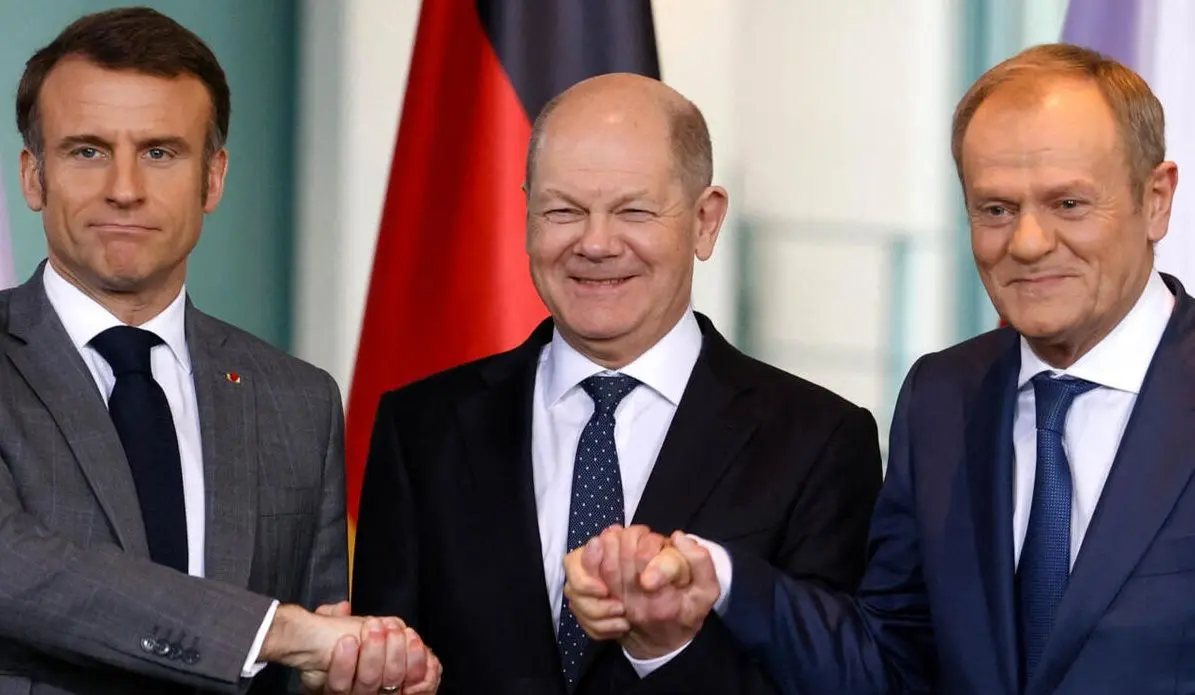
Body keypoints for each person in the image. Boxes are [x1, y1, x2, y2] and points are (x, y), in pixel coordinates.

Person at [564, 42, 1195, 695]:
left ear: (1155, 199)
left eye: (1067, 204)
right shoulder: (943, 398)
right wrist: (718, 581)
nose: (1028, 242)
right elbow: (890, 662)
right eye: (996, 209)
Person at [350, 72, 883, 695]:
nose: (596, 243)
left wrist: (667, 646)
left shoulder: (819, 442)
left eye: (633, 211)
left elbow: (836, 681)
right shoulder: (422, 428)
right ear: (526, 214)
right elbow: (382, 668)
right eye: (563, 211)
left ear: (705, 221)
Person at [0, 7, 439, 694]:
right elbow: (17, 567)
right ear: (33, 176)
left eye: (160, 152)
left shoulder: (298, 401)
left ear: (213, 179)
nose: (124, 189)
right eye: (87, 151)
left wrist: (358, 672)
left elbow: (312, 661)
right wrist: (278, 631)